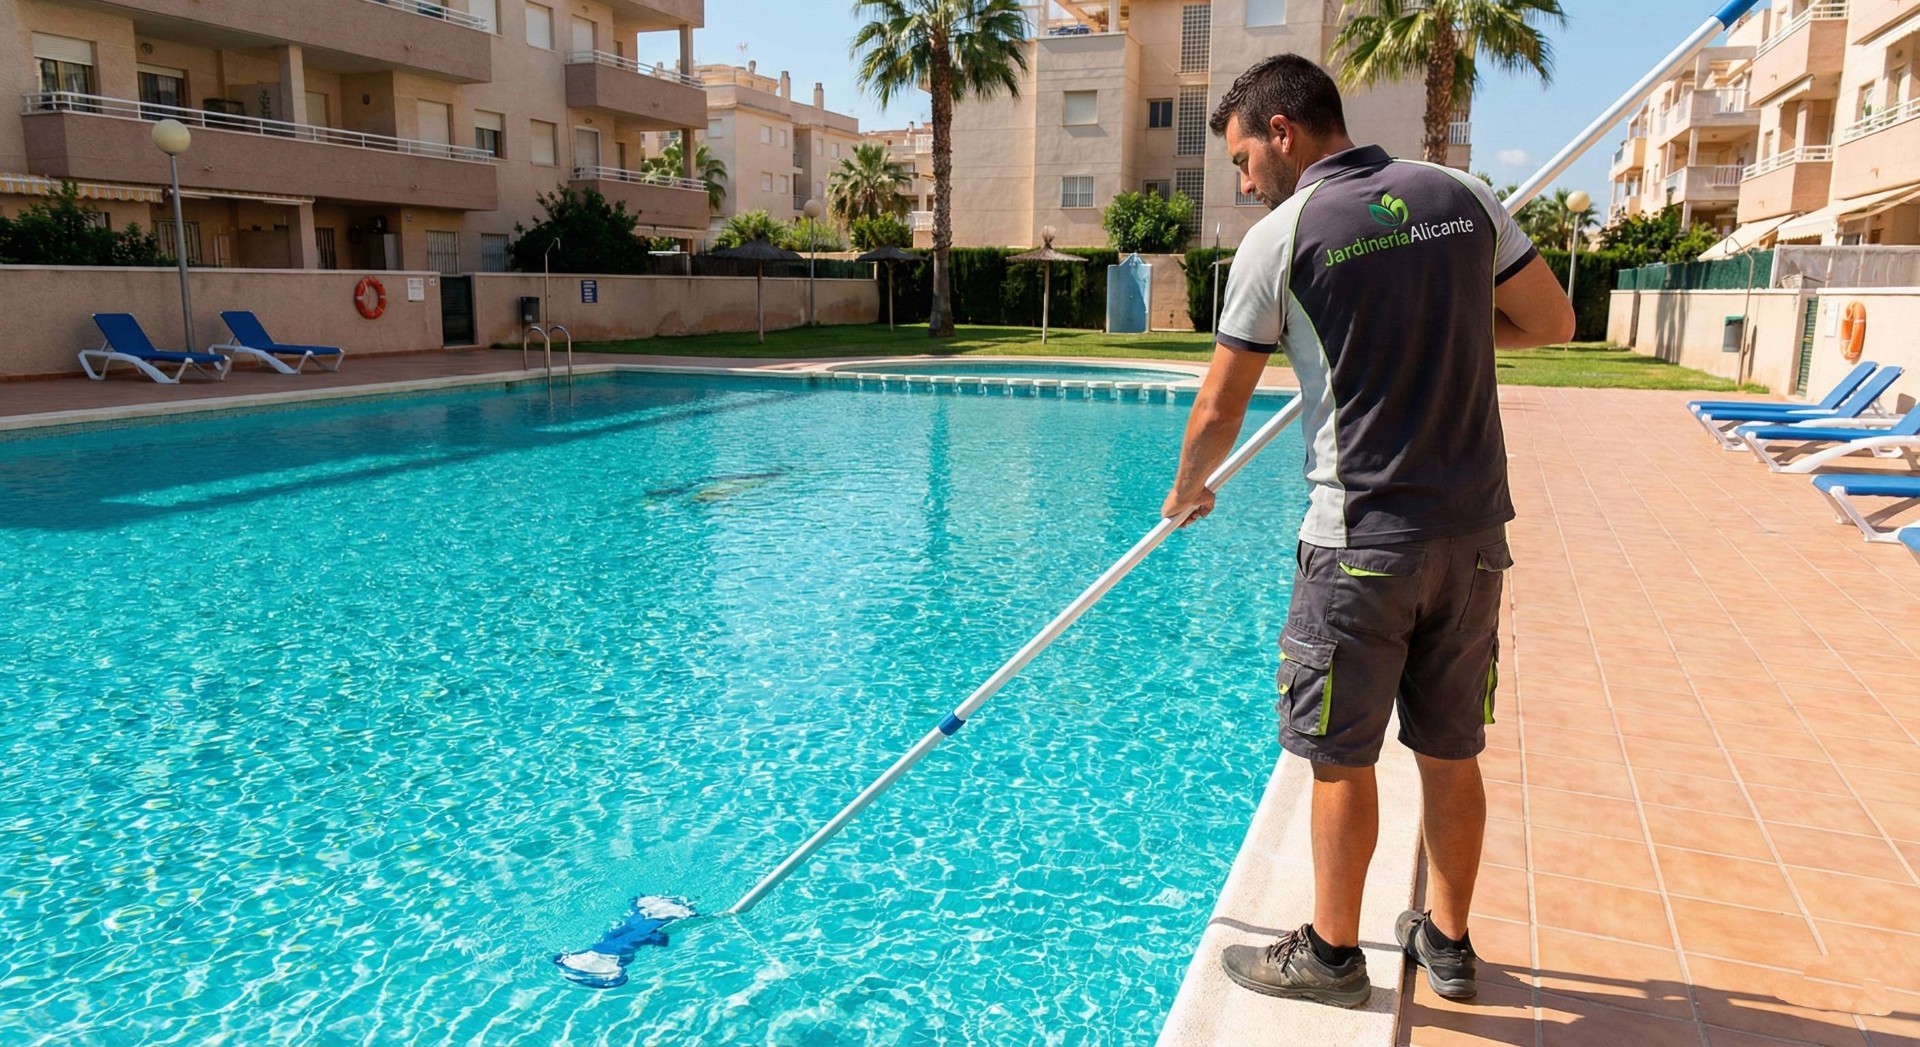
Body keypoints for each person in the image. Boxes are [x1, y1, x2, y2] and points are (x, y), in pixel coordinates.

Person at [1161, 54, 1574, 1009]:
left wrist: (1188, 490)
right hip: (1471, 536)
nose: (1243, 179)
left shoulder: (1284, 234)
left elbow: (1220, 407)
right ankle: (1451, 942)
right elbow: (1551, 321)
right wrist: (1462, 331)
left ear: (1282, 132)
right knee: (1450, 746)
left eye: (1241, 158)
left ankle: (1335, 956)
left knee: (1340, 755)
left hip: (1357, 542)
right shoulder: (1465, 196)